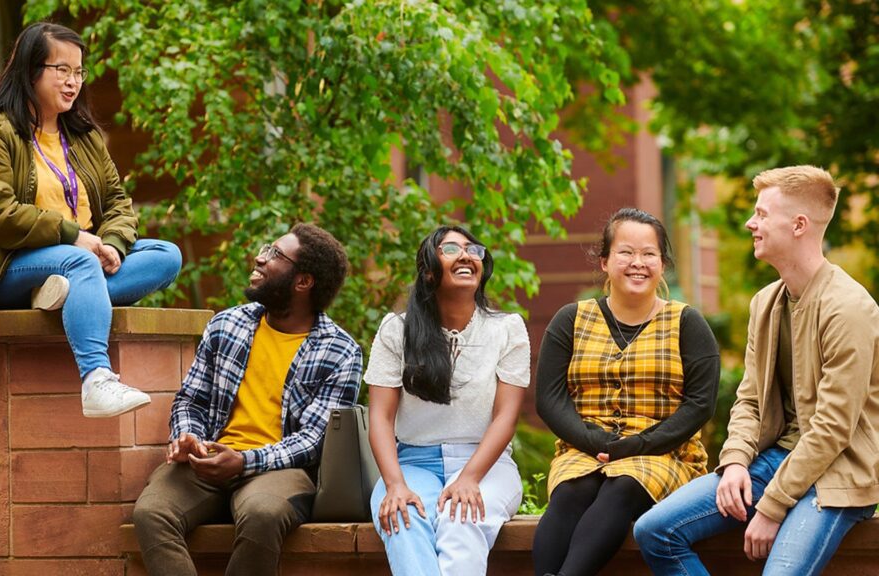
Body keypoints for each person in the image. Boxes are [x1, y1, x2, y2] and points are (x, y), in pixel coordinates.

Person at [634, 166, 879, 575]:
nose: (752, 223)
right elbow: (749, 398)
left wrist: (772, 505)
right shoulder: (766, 303)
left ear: (799, 225)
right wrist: (734, 462)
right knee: (655, 530)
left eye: (762, 214)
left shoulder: (850, 308)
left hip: (837, 476)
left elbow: (833, 428)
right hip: (774, 460)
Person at [0, 22, 181, 418]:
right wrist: (76, 239)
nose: (73, 81)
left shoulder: (83, 136)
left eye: (78, 72)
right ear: (29, 71)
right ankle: (96, 379)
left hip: (80, 256)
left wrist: (111, 242)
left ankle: (66, 295)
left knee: (166, 255)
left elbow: (118, 204)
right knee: (81, 263)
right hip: (7, 264)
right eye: (62, 70)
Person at [131, 223, 362, 576]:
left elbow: (313, 442)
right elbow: (190, 399)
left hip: (282, 469)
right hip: (208, 457)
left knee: (262, 515)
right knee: (151, 513)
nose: (260, 257)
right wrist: (187, 437)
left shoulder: (341, 351)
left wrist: (243, 461)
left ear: (303, 281)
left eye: (275, 254)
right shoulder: (227, 324)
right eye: (266, 248)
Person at [532, 208, 720, 576]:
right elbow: (549, 399)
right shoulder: (571, 319)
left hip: (666, 453)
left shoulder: (687, 323)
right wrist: (593, 440)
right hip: (583, 447)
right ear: (604, 261)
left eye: (649, 254)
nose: (638, 263)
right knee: (572, 491)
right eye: (626, 252)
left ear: (662, 264)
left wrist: (639, 445)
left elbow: (700, 404)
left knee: (624, 484)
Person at [365, 225, 531, 576]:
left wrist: (469, 477)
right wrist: (395, 485)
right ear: (428, 270)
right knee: (401, 518)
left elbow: (505, 418)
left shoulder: (507, 329)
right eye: (451, 249)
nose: (468, 255)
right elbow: (379, 418)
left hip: (486, 464)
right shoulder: (397, 329)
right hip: (412, 463)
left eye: (473, 250)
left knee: (462, 519)